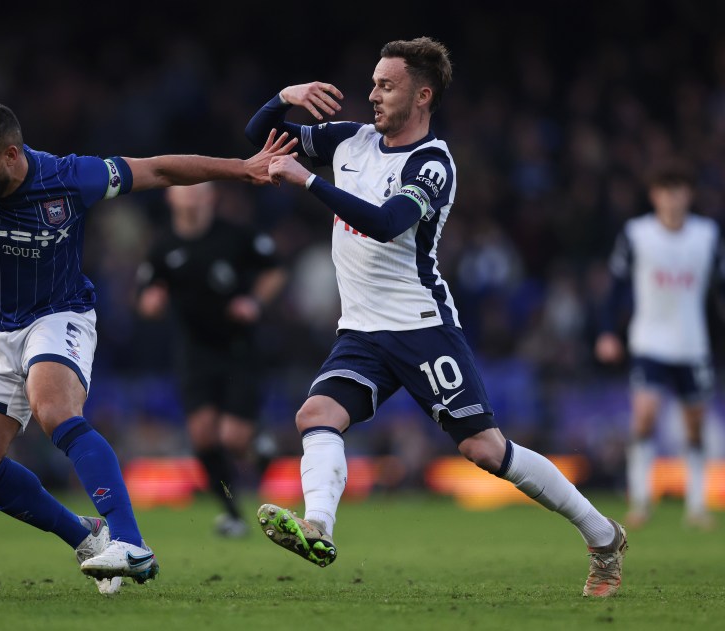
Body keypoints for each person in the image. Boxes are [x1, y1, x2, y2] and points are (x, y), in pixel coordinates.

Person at [0, 101, 296, 594]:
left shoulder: (71, 178)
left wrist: (242, 169)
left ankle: (132, 542)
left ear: (11, 155)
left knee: (52, 408)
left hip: (58, 314)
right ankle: (85, 536)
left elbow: (157, 168)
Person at [244, 37, 628, 597]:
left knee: (485, 450)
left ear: (422, 95)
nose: (372, 94)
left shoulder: (433, 164)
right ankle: (318, 527)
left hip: (421, 326)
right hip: (361, 331)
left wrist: (309, 181)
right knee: (315, 414)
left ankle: (603, 537)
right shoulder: (349, 139)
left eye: (386, 85)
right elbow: (260, 138)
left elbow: (385, 222)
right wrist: (285, 96)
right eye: (373, 82)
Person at [135, 182, 286, 537]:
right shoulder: (163, 247)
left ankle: (256, 443)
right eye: (182, 189)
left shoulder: (235, 236)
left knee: (232, 438)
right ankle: (232, 511)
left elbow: (275, 269)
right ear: (170, 197)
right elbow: (144, 294)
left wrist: (255, 303)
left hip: (238, 348)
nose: (190, 195)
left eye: (197, 189)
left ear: (210, 196)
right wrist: (151, 302)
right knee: (203, 437)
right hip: (194, 351)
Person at [595, 160, 720, 531]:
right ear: (654, 196)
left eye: (679, 189)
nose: (672, 197)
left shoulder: (707, 235)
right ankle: (640, 500)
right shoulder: (637, 234)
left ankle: (697, 505)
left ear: (689, 194)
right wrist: (607, 332)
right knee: (645, 416)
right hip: (649, 340)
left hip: (692, 343)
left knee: (694, 426)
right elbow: (615, 288)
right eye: (665, 190)